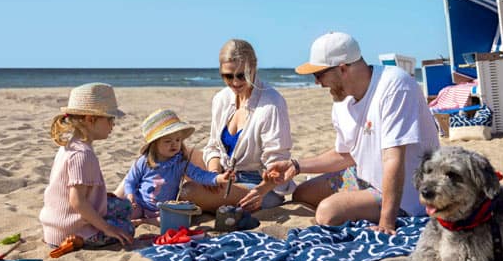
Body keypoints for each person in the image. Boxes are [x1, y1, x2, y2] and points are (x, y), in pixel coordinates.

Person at [266, 32, 439, 234]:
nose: (316, 82)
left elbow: (394, 158)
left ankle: (377, 209)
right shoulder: (342, 99)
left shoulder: (395, 85)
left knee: (327, 213)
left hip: (407, 191)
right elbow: (346, 154)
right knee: (302, 194)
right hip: (364, 176)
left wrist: (386, 222)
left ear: (342, 68)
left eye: (319, 75)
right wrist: (296, 166)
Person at [181, 38, 295, 212]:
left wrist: (261, 190)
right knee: (170, 156)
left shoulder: (272, 103)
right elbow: (213, 146)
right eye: (228, 76)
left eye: (242, 75)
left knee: (188, 192)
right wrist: (213, 175)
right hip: (225, 175)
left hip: (259, 187)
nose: (235, 82)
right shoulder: (221, 98)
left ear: (254, 67)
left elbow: (277, 164)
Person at [39, 83, 135, 249]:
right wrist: (107, 228)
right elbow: (77, 201)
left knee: (125, 206)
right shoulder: (83, 155)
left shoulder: (69, 146)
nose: (113, 125)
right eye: (110, 119)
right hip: (71, 230)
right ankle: (85, 236)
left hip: (54, 226)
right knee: (127, 228)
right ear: (91, 119)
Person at [120, 109, 231, 226]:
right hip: (141, 204)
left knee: (174, 219)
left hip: (164, 209)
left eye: (178, 140)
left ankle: (144, 222)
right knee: (127, 212)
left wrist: (218, 178)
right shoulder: (144, 161)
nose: (174, 144)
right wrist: (130, 195)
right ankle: (135, 220)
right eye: (168, 141)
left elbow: (200, 175)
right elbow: (130, 181)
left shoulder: (180, 163)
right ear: (154, 144)